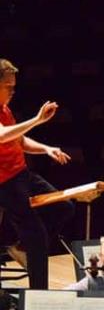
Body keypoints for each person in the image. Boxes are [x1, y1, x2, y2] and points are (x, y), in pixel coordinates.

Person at [0, 58, 74, 289]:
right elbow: (2, 136)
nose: (13, 90)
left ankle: (19, 246)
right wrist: (37, 119)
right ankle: (39, 295)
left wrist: (46, 149)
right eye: (8, 86)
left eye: (14, 86)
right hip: (5, 184)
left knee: (65, 206)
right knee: (38, 236)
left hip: (22, 174)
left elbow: (18, 140)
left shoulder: (4, 109)